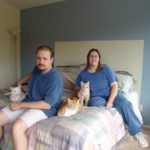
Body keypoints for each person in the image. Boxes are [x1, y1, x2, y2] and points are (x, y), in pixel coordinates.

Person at [75, 48, 149, 148]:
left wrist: (110, 102)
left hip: (113, 93)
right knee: (93, 103)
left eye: (96, 56)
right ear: (88, 58)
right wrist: (79, 92)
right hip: (97, 97)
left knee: (124, 103)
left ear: (99, 58)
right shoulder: (83, 74)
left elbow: (114, 86)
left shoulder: (106, 69)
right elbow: (76, 87)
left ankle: (136, 132)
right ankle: (115, 107)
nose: (93, 58)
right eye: (91, 56)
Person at [0, 45, 64, 150]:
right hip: (29, 101)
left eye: (45, 59)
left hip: (44, 109)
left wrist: (20, 105)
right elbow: (31, 74)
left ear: (51, 60)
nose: (41, 61)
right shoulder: (37, 68)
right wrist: (20, 82)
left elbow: (47, 105)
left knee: (16, 128)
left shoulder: (55, 79)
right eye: (38, 58)